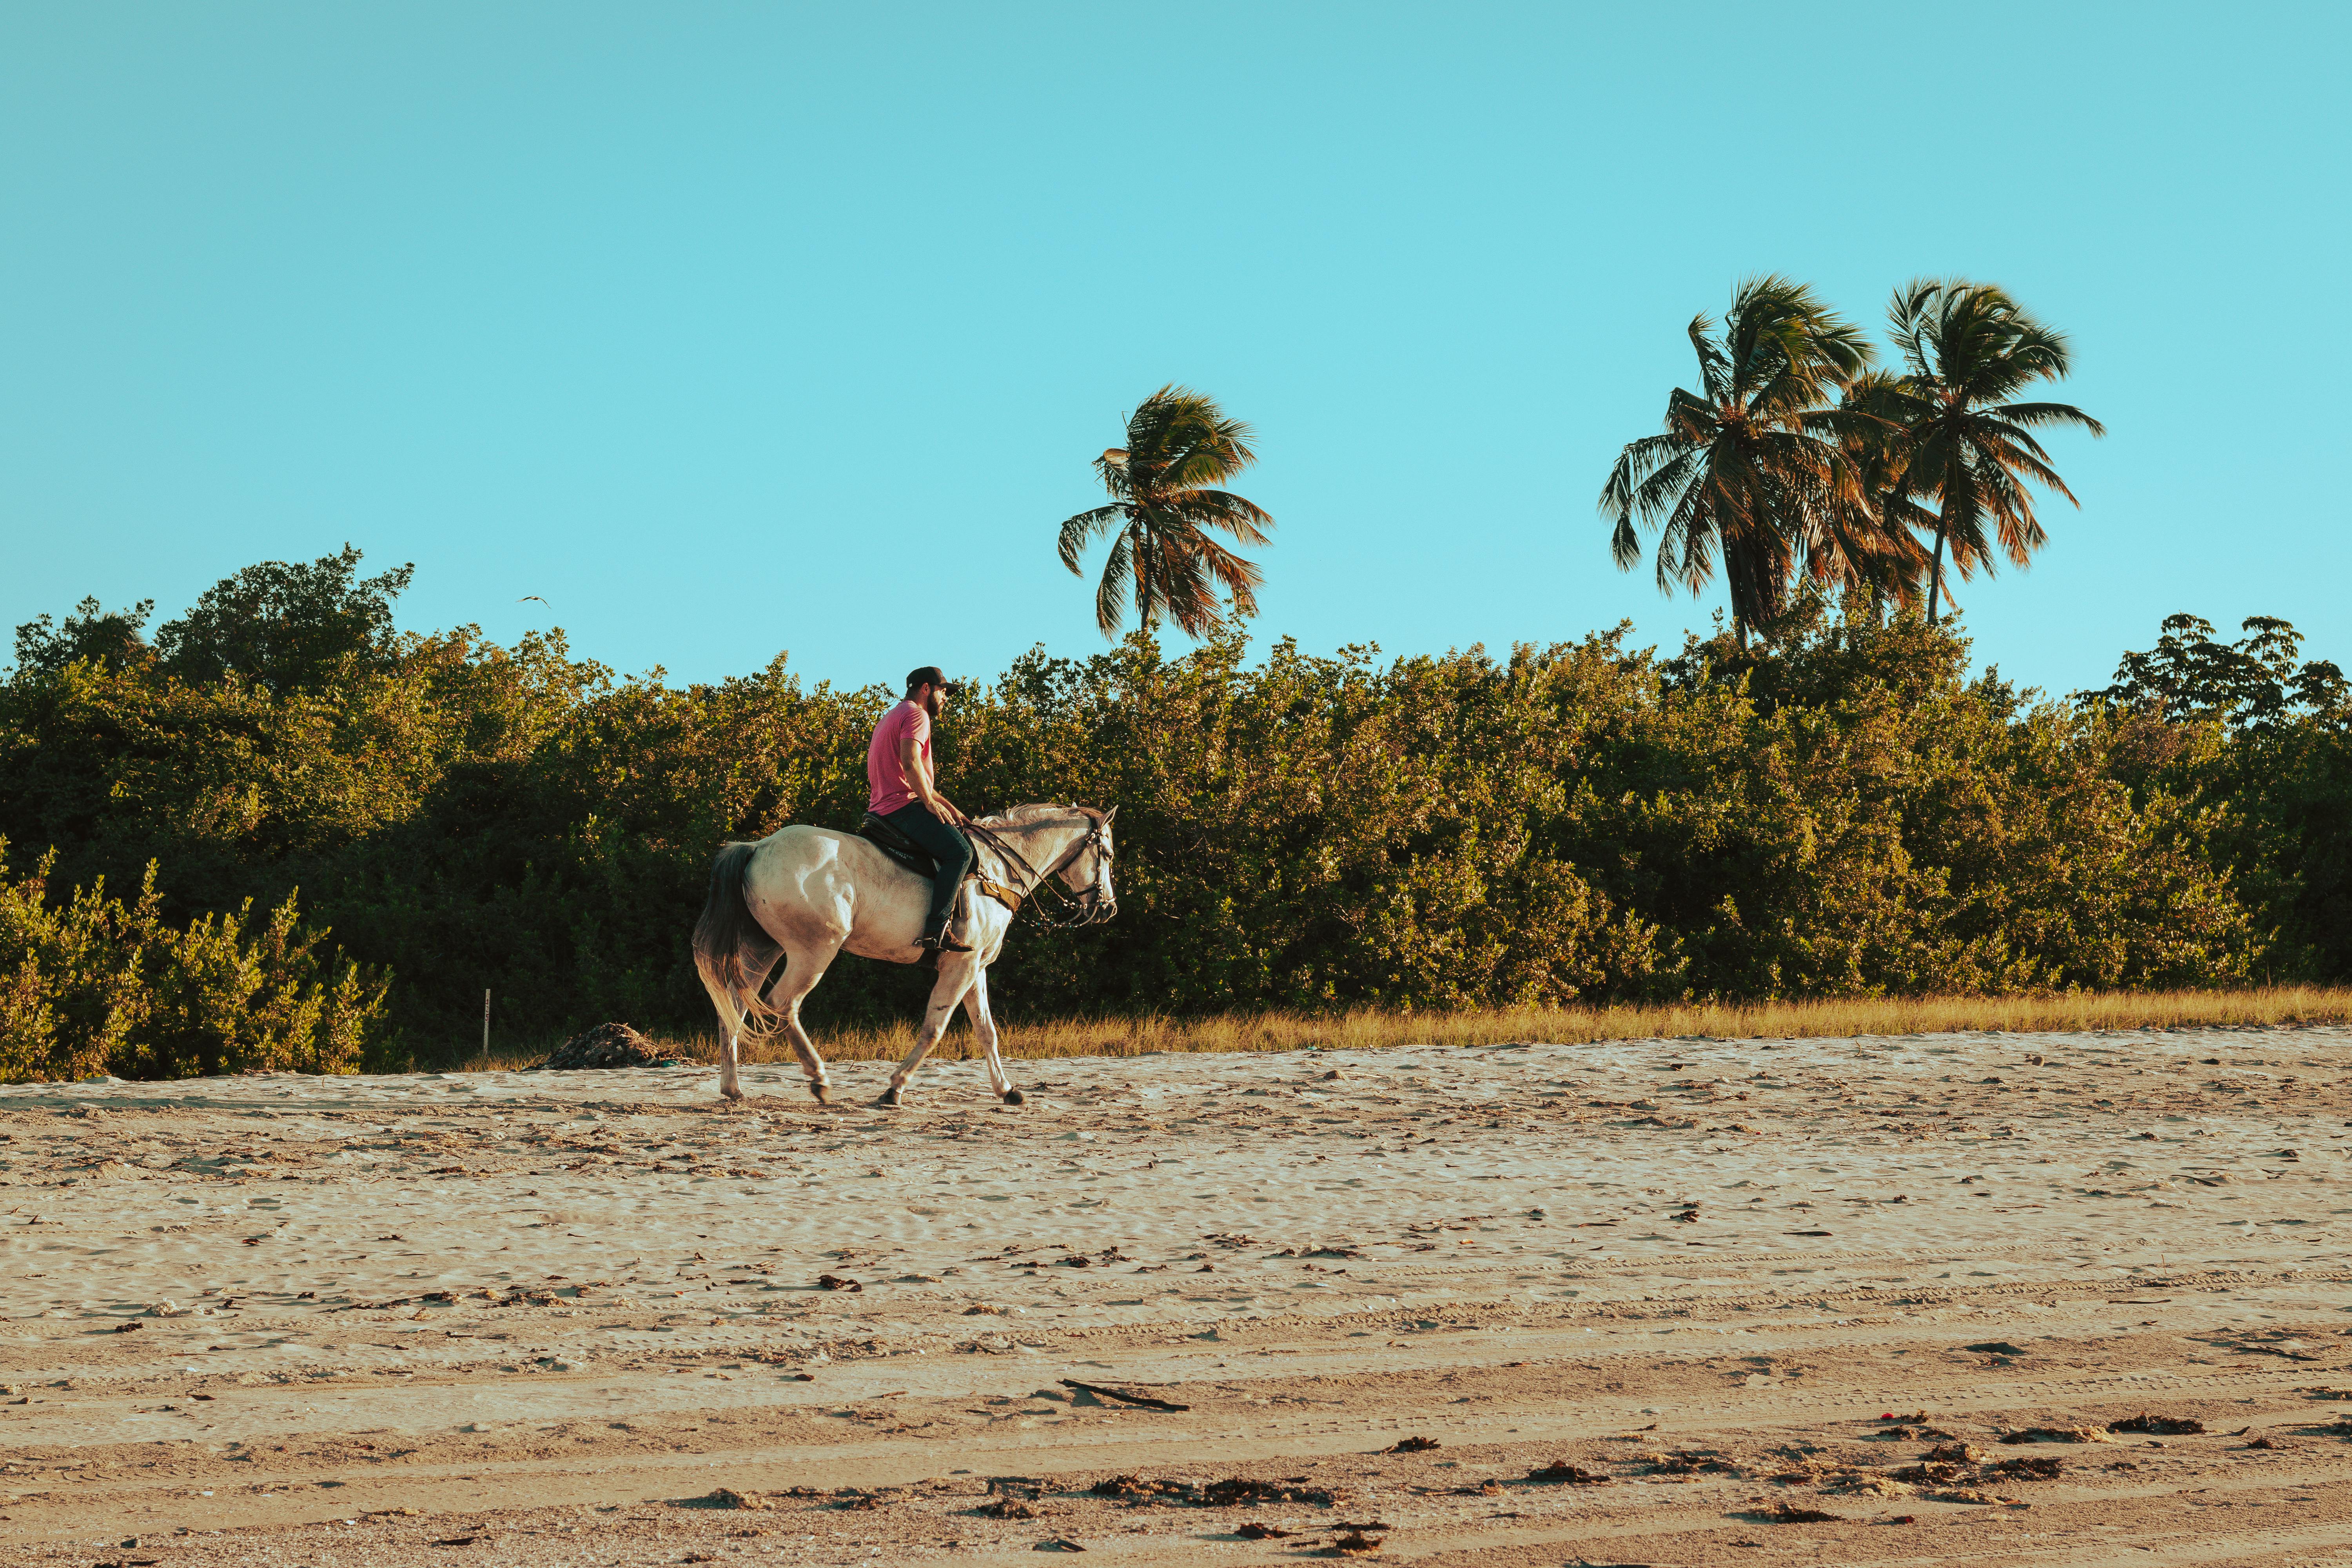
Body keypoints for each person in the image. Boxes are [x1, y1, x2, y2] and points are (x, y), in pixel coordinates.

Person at [866, 665, 976, 952]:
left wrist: (949, 807)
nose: (945, 699)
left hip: (883, 807)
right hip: (902, 807)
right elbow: (910, 762)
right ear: (926, 689)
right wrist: (928, 803)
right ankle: (937, 930)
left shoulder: (893, 715)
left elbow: (916, 776)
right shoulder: (918, 715)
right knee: (960, 853)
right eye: (943, 692)